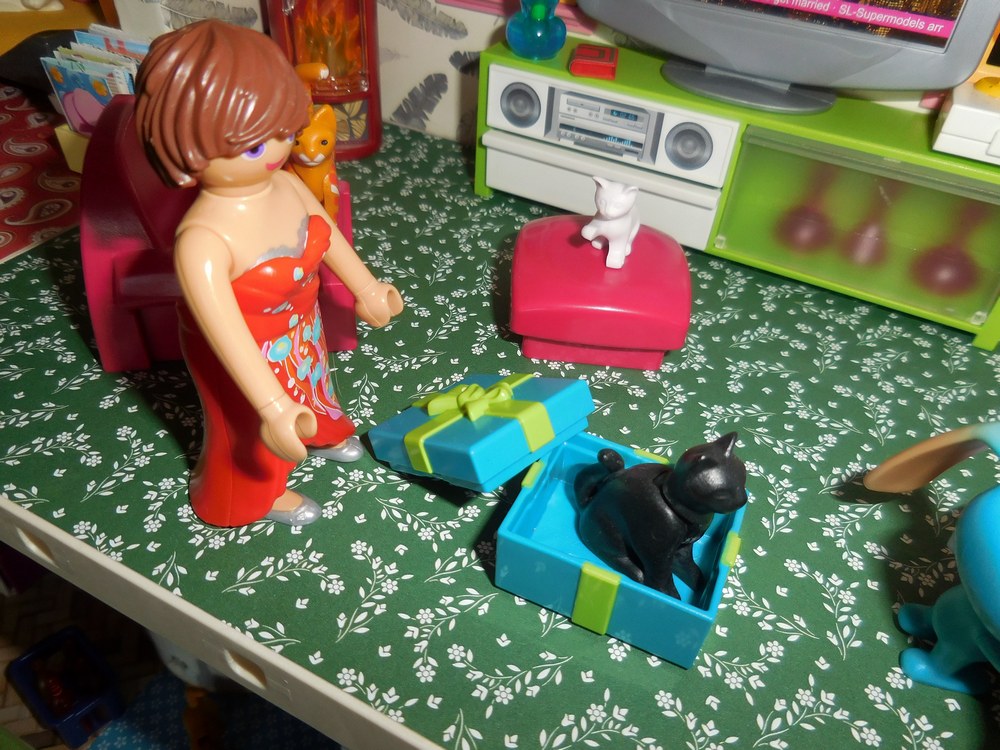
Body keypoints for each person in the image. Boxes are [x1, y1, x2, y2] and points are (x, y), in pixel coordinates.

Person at [135, 19, 403, 527]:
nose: (278, 151)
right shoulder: (203, 241)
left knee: (316, 383)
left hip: (301, 329)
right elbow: (227, 335)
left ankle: (317, 431)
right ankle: (256, 491)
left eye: (284, 131)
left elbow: (326, 232)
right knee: (244, 428)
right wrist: (273, 405)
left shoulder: (287, 185)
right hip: (243, 356)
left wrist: (366, 287)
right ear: (188, 151)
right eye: (255, 146)